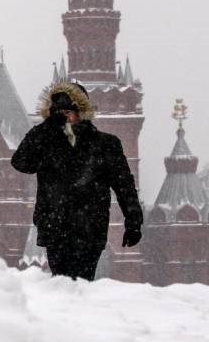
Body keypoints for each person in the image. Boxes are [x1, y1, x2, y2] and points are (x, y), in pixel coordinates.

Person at [11, 82, 144, 280]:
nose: (65, 116)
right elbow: (21, 162)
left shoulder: (106, 144)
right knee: (61, 281)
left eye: (69, 111)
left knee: (81, 281)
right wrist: (46, 126)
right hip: (54, 227)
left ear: (82, 112)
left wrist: (133, 222)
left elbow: (124, 185)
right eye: (59, 112)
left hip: (90, 226)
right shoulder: (47, 142)